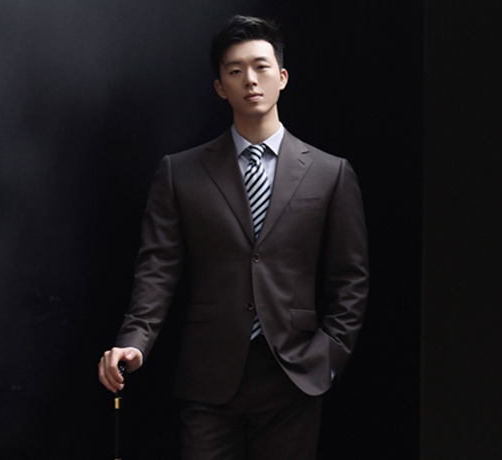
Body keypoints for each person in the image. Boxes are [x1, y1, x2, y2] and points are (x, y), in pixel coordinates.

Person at [98, 15, 368, 460]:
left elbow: (351, 281)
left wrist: (326, 358)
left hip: (294, 375)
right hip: (209, 377)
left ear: (282, 77)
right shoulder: (180, 172)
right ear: (220, 86)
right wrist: (134, 340)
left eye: (261, 67)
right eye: (235, 70)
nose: (250, 80)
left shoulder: (330, 173)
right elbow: (157, 270)